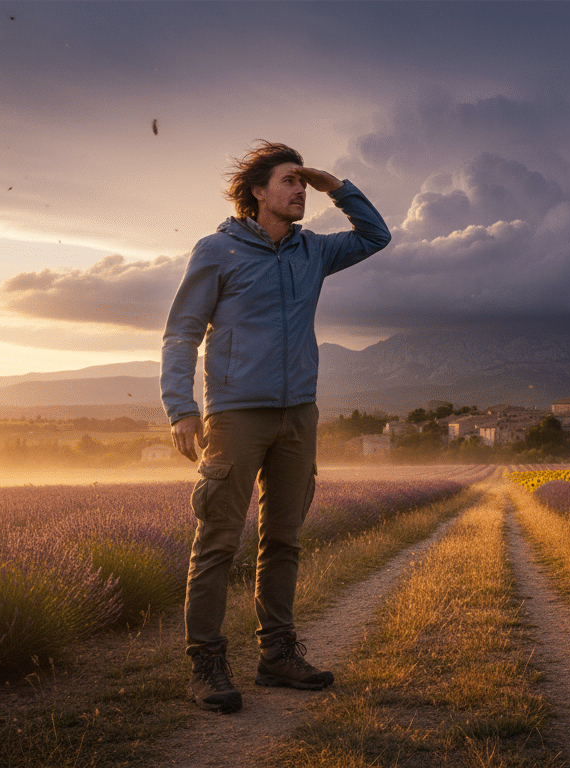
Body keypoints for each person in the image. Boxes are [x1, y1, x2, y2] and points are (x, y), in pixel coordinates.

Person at [161, 141, 390, 713]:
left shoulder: (313, 251)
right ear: (259, 192)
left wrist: (335, 184)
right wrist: (181, 409)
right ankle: (207, 664)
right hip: (235, 416)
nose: (299, 192)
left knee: (283, 540)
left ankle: (278, 656)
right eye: (290, 181)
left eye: (303, 185)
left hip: (298, 415)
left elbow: (375, 236)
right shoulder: (217, 250)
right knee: (217, 541)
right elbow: (182, 332)